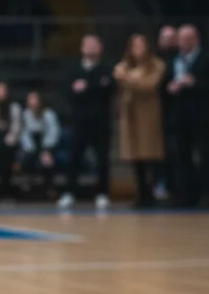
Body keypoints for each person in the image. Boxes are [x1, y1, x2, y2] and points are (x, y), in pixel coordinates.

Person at [168, 25, 209, 208]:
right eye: (181, 39)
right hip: (180, 116)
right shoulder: (175, 60)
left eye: (187, 38)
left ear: (196, 39)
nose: (184, 42)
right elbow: (167, 83)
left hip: (201, 115)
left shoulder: (208, 59)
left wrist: (195, 83)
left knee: (205, 155)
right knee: (183, 156)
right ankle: (187, 195)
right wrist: (172, 87)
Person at [60, 34, 116, 210]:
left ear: (101, 48)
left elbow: (109, 90)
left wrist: (87, 88)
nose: (91, 48)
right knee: (74, 158)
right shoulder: (73, 69)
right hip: (79, 121)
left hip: (101, 121)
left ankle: (102, 193)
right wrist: (96, 87)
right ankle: (69, 192)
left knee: (102, 158)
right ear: (81, 48)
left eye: (94, 44)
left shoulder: (107, 69)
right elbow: (68, 92)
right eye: (88, 44)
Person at [114, 34, 168, 208]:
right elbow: (119, 79)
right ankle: (140, 193)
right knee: (134, 156)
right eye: (134, 46)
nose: (138, 49)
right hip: (130, 115)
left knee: (149, 155)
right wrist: (132, 79)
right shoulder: (124, 65)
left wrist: (128, 78)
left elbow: (149, 85)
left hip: (148, 115)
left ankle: (153, 192)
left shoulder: (157, 65)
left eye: (141, 45)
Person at [19, 91, 61, 194]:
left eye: (35, 100)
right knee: (25, 157)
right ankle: (27, 186)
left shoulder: (49, 114)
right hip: (30, 147)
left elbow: (54, 132)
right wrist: (31, 149)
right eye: (31, 100)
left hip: (46, 145)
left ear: (40, 101)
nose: (33, 103)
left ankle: (49, 188)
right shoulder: (25, 115)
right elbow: (23, 134)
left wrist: (46, 150)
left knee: (47, 160)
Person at [156, 25, 180, 201]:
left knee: (178, 153)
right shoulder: (155, 61)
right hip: (158, 115)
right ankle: (162, 185)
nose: (170, 41)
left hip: (179, 115)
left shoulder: (181, 59)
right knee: (161, 154)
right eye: (166, 37)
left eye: (173, 37)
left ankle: (179, 189)